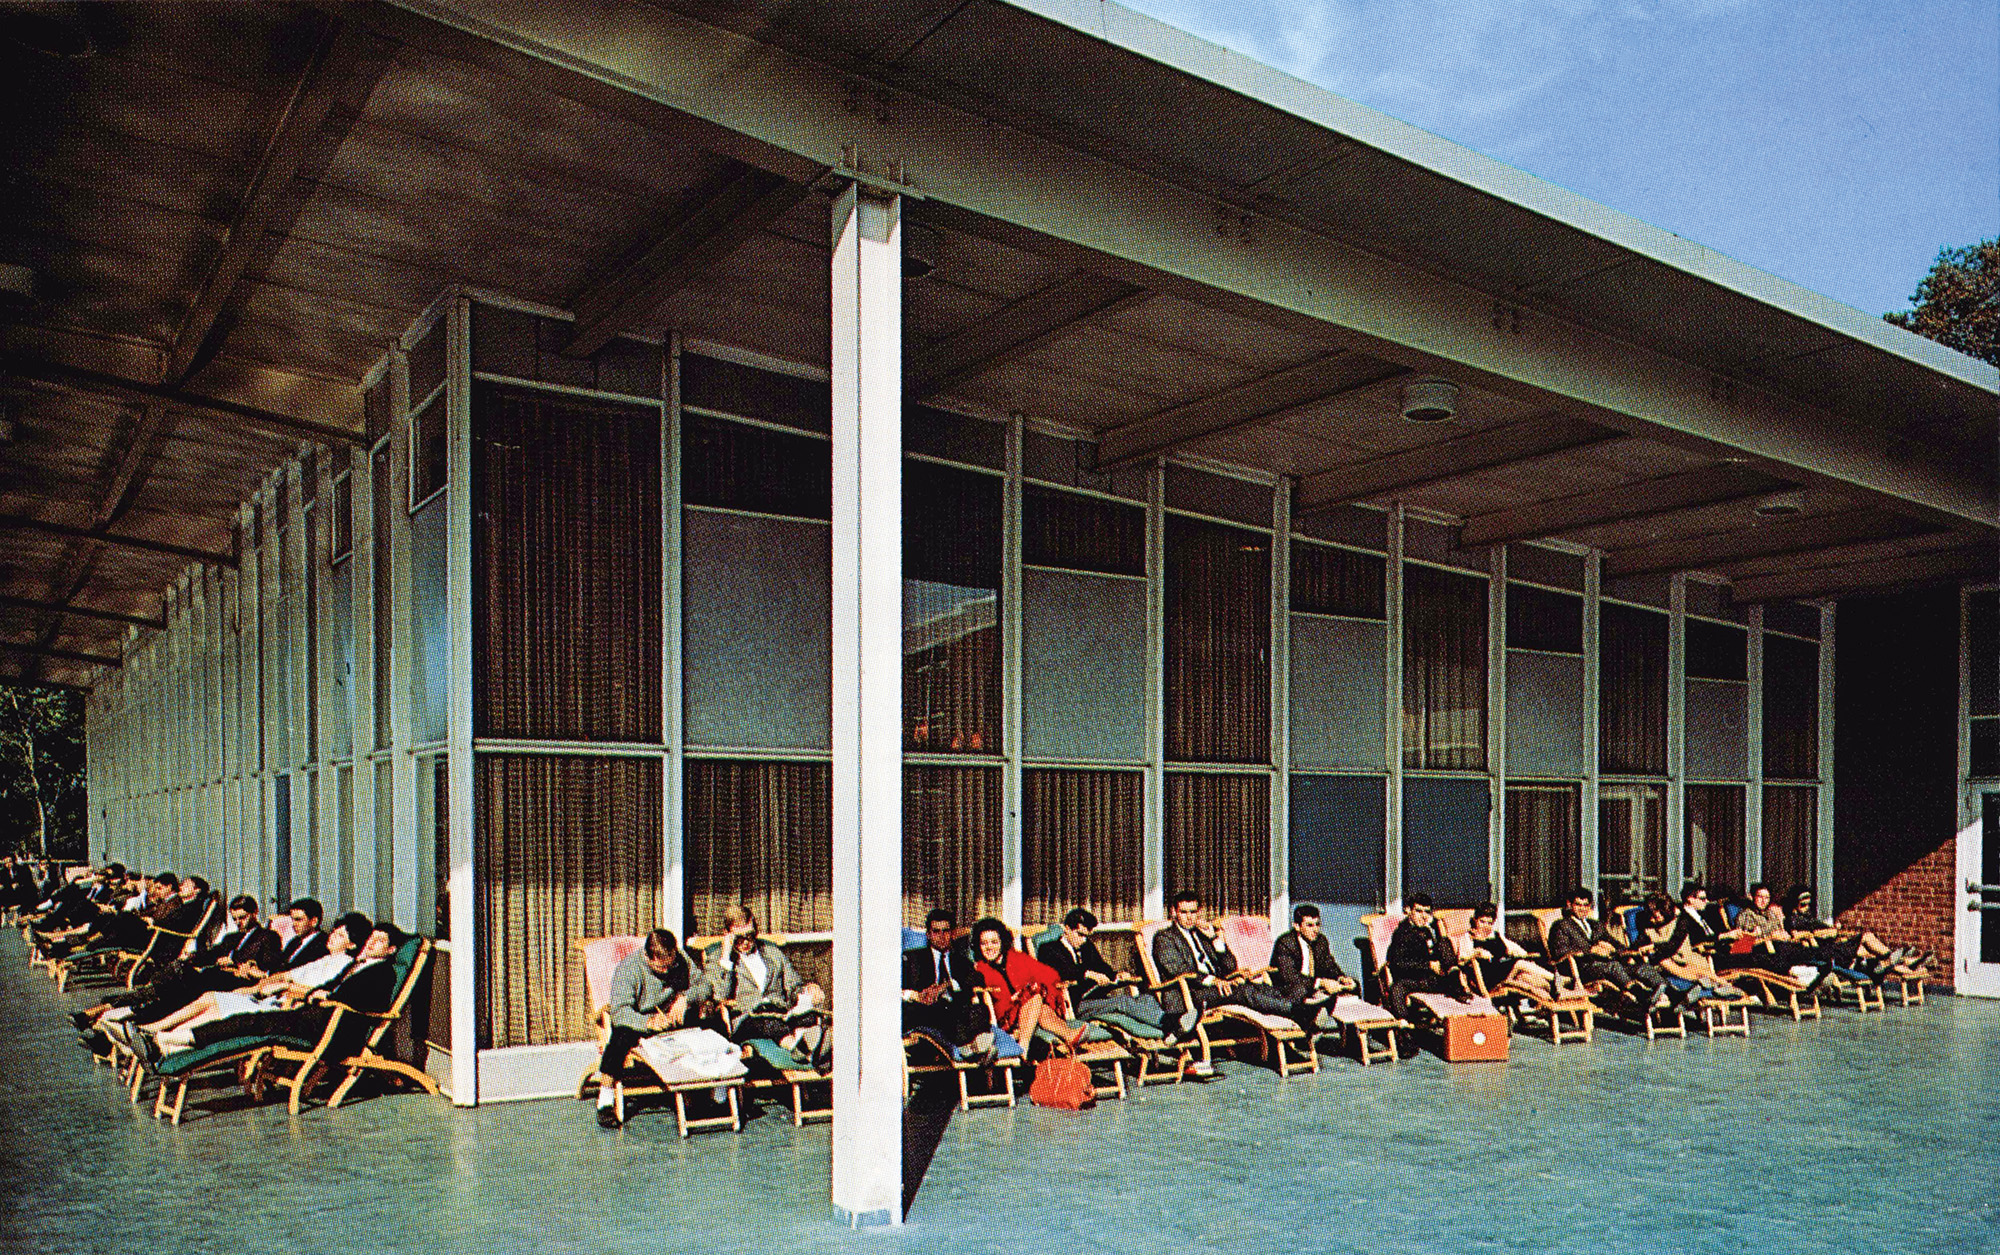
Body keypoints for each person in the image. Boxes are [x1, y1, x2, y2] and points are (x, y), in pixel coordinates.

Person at [1036, 906, 1194, 1040]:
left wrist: (1116, 975)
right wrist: (1088, 974)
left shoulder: (1086, 947)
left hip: (1096, 997)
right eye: (1080, 935)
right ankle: (1172, 1023)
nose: (1083, 940)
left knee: (1145, 998)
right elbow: (1063, 970)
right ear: (1067, 929)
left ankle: (1169, 1029)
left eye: (1087, 936)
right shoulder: (1049, 949)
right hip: (1074, 1003)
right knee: (1122, 1003)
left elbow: (1102, 967)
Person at [1151, 891, 1303, 1028]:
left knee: (1262, 988)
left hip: (1216, 988)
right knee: (1242, 992)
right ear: (1174, 912)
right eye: (1184, 912)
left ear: (1199, 912)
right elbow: (1177, 969)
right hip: (1189, 993)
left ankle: (1302, 1013)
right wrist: (1214, 981)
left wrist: (1215, 939)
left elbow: (1230, 967)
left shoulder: (1203, 935)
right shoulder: (1165, 937)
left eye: (1193, 912)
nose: (1189, 917)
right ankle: (1297, 1012)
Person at [698, 905, 825, 1063]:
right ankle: (800, 1049)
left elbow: (793, 985)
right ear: (728, 935)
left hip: (779, 1011)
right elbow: (720, 995)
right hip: (748, 1018)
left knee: (808, 1016)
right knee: (770, 1025)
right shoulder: (719, 958)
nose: (745, 942)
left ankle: (807, 1045)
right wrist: (726, 958)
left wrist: (807, 991)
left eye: (750, 935)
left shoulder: (772, 952)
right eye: (739, 938)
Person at [593, 929, 693, 1129]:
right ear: (648, 957)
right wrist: (648, 1022)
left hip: (670, 1017)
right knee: (620, 1038)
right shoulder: (629, 969)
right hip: (638, 1019)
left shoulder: (680, 960)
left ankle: (716, 1092)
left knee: (709, 1021)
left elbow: (704, 984)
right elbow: (620, 1012)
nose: (667, 972)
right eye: (661, 967)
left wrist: (686, 998)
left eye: (670, 966)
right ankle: (605, 1099)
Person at [969, 918, 1088, 1051]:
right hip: (1004, 1019)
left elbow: (1051, 975)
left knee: (1038, 1002)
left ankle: (1027, 1047)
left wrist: (1025, 993)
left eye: (994, 942)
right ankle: (1061, 1037)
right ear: (978, 946)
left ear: (1002, 942)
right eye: (984, 943)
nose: (989, 947)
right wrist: (1017, 997)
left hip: (1029, 1013)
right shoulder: (980, 969)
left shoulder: (1017, 958)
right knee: (1035, 995)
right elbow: (991, 998)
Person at [1546, 887, 1671, 1009]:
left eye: (1586, 905)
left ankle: (1664, 991)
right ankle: (1641, 996)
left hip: (1609, 966)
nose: (1582, 909)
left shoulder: (1595, 925)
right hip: (1583, 968)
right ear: (1569, 905)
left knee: (1641, 968)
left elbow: (1616, 944)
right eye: (1578, 905)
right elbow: (1560, 952)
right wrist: (1590, 951)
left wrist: (1624, 952)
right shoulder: (1561, 926)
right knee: (1614, 966)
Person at [1781, 885, 1927, 978]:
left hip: (1834, 946)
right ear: (1795, 902)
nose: (1806, 905)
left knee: (1871, 955)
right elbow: (1795, 936)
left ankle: (1908, 965)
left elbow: (1826, 930)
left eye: (1808, 902)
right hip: (1825, 952)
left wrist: (1833, 930)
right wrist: (1821, 934)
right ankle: (1900, 960)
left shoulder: (1808, 917)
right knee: (1867, 937)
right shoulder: (1792, 919)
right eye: (1803, 903)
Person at [901, 907, 991, 1056]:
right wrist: (916, 996)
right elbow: (894, 987)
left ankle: (973, 1047)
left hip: (957, 1011)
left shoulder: (960, 961)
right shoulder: (913, 959)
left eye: (946, 931)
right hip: (926, 1012)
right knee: (942, 1009)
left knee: (980, 1010)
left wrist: (947, 985)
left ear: (953, 934)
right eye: (936, 931)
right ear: (928, 935)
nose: (941, 936)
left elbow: (978, 979)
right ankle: (975, 1046)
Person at [1454, 902, 1566, 997]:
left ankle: (1553, 991)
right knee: (1519, 963)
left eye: (1489, 923)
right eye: (1482, 921)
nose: (1485, 926)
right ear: (1475, 920)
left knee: (1528, 978)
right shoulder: (1468, 937)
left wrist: (1524, 955)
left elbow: (1515, 949)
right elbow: (1461, 959)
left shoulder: (1495, 936)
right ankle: (1557, 979)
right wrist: (1476, 953)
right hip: (1486, 978)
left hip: (1503, 972)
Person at [274, 899, 330, 971]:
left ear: (314, 922)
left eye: (298, 920)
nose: (294, 924)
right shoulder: (294, 942)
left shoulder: (324, 944)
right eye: (292, 920)